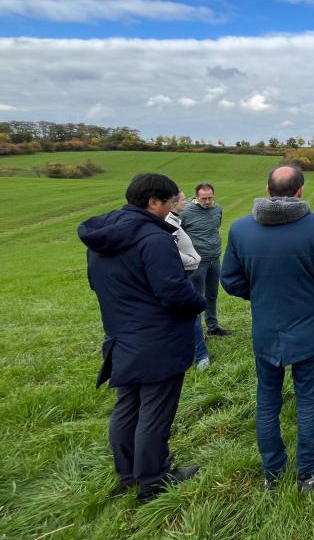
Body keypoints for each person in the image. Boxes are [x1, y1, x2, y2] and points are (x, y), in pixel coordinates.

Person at [77, 173, 205, 502]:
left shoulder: (103, 236)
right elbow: (173, 291)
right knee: (155, 409)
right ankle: (153, 480)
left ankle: (128, 474)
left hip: (120, 334)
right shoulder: (153, 238)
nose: (170, 209)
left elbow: (95, 283)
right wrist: (198, 302)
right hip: (157, 339)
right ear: (152, 202)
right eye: (168, 203)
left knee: (127, 405)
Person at [220, 165, 314, 494]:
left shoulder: (241, 229)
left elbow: (230, 280)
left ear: (268, 189)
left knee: (267, 400)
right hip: (308, 327)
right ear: (301, 191)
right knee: (307, 398)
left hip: (266, 328)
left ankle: (272, 471)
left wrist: (259, 294)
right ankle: (306, 472)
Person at [166, 191, 210, 370]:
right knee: (193, 314)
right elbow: (171, 250)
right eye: (183, 199)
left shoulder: (176, 220)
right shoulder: (168, 223)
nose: (187, 201)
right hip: (184, 273)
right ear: (173, 202)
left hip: (187, 273)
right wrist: (193, 260)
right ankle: (201, 357)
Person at [180, 182, 231, 336]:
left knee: (212, 295)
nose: (208, 202)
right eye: (204, 199)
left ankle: (213, 327)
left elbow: (215, 228)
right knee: (196, 297)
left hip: (214, 259)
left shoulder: (218, 209)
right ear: (196, 197)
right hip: (197, 263)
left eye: (210, 198)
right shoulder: (186, 211)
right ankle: (196, 332)